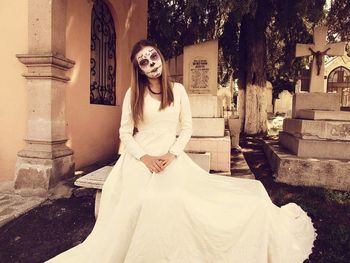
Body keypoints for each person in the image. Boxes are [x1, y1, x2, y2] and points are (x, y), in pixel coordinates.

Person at [46, 39, 316, 263]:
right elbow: (125, 133)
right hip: (139, 162)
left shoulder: (178, 91)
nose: (151, 64)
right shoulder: (134, 95)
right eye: (144, 61)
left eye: (153, 57)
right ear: (138, 69)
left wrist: (171, 154)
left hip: (171, 159)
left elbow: (186, 128)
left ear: (160, 57)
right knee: (146, 204)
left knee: (190, 202)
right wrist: (146, 158)